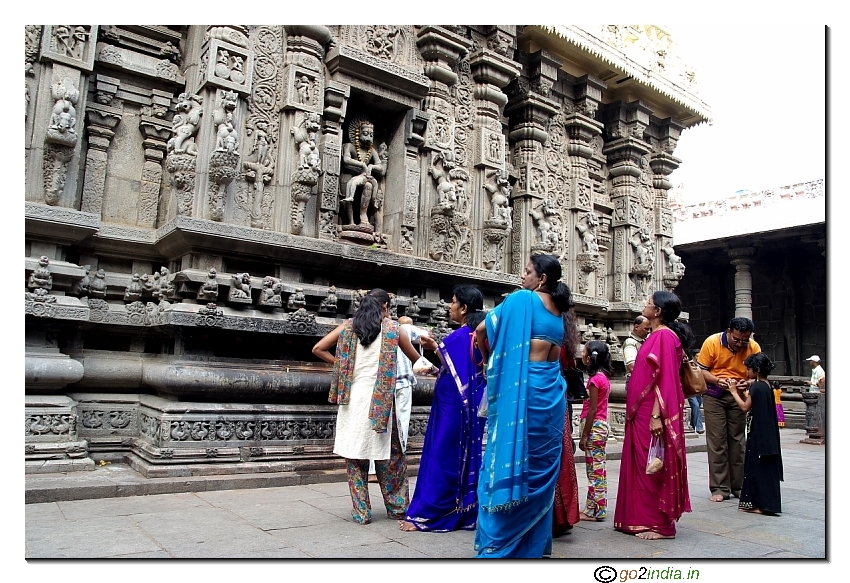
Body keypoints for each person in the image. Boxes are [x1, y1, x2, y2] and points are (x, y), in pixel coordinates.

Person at [473, 254, 573, 557]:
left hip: (524, 391)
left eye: (527, 272)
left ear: (541, 278)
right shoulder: (562, 312)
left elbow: (480, 331)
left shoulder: (521, 301)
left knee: (510, 458)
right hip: (553, 394)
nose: (522, 277)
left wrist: (491, 362)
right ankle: (534, 544)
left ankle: (501, 544)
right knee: (540, 466)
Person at [312, 289, 423, 525]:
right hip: (381, 401)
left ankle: (361, 512)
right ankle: (397, 507)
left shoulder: (348, 327)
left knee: (355, 457)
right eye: (389, 307)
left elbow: (318, 348)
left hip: (352, 400)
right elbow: (418, 360)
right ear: (384, 307)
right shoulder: (394, 329)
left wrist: (342, 365)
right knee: (392, 456)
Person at [400, 285, 487, 532]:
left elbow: (458, 371)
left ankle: (431, 514)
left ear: (464, 308)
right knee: (460, 455)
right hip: (467, 409)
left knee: (441, 455)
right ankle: (462, 510)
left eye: (453, 302)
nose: (450, 307)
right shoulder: (476, 335)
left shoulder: (460, 337)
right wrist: (436, 352)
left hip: (453, 408)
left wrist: (434, 347)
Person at [614, 290, 694, 540]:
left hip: (652, 411)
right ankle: (639, 518)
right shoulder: (655, 335)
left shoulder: (665, 337)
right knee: (642, 463)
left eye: (649, 303)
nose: (645, 305)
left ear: (658, 311)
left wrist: (658, 416)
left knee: (654, 465)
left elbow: (666, 379)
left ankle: (661, 525)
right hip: (642, 410)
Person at [697, 317, 762, 502]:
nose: (741, 343)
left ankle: (739, 485)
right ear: (728, 331)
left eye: (744, 340)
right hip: (714, 394)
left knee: (738, 441)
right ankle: (719, 487)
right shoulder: (712, 342)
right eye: (736, 339)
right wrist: (718, 381)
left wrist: (747, 382)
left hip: (739, 394)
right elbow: (701, 370)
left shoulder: (753, 347)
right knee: (717, 441)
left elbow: (759, 374)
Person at [727, 353, 783, 515]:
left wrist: (733, 392)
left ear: (757, 370)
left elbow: (745, 407)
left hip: (758, 434)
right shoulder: (766, 385)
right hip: (767, 434)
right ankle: (765, 503)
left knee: (756, 469)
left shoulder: (757, 387)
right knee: (764, 470)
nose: (747, 372)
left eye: (749, 369)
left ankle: (759, 504)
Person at [553, 308, 582, 537]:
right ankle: (563, 515)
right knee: (562, 453)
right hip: (559, 398)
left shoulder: (550, 333)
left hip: (545, 397)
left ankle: (552, 516)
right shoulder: (567, 340)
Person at [578, 340, 612, 522]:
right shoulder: (604, 377)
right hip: (601, 425)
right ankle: (592, 508)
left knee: (594, 471)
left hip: (594, 427)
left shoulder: (594, 380)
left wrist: (584, 435)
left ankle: (598, 510)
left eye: (584, 351)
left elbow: (592, 409)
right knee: (597, 469)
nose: (582, 354)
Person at [688, 350, 705, 435]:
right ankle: (699, 427)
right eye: (697, 356)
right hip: (691, 389)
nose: (699, 358)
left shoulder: (702, 365)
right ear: (694, 357)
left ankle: (692, 424)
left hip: (699, 389)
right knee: (695, 405)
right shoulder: (689, 364)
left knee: (697, 406)